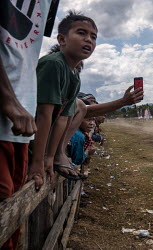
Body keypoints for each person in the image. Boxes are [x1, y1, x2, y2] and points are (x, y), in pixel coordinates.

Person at [0, 1, 58, 249]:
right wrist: (8, 99)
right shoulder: (55, 65)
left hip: (21, 127)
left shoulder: (50, 2)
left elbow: (23, 51)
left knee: (12, 216)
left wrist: (41, 160)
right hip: (13, 112)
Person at [27, 11, 99, 190]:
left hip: (41, 135)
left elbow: (63, 119)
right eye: (81, 33)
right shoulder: (54, 64)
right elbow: (44, 115)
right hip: (26, 133)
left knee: (77, 107)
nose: (89, 40)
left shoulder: (74, 74)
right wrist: (38, 162)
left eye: (93, 36)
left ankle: (57, 156)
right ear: (62, 39)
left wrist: (50, 157)